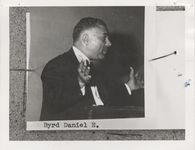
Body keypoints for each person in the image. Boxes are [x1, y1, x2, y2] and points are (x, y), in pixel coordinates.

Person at [40, 17, 144, 121]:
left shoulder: (93, 69)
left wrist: (129, 87)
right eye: (104, 38)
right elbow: (53, 105)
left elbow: (105, 99)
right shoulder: (55, 66)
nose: (109, 43)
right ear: (85, 39)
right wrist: (79, 83)